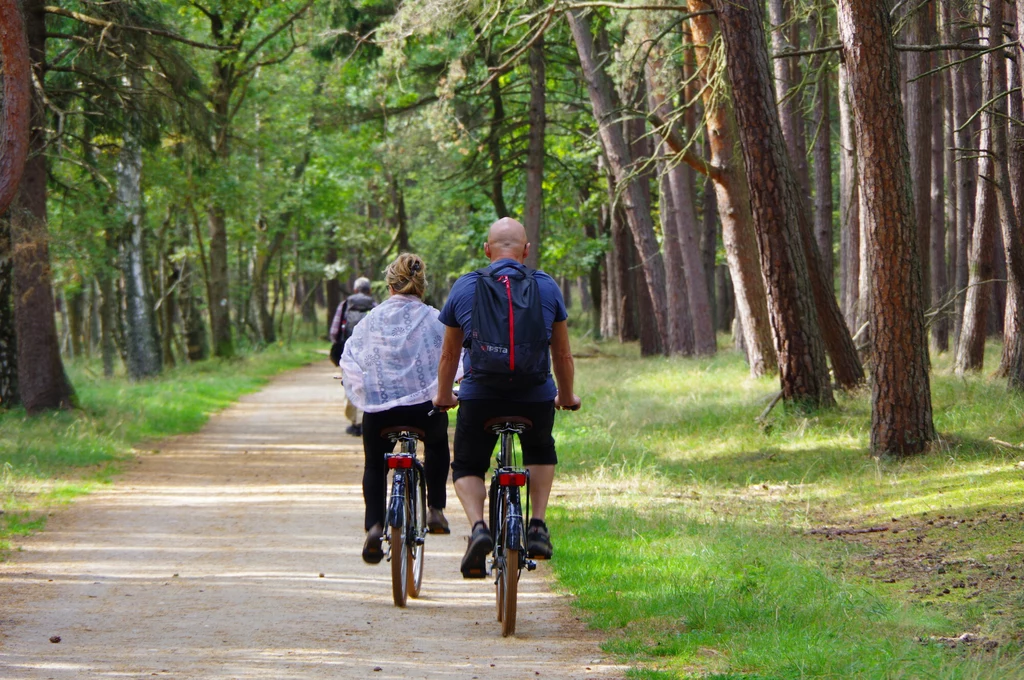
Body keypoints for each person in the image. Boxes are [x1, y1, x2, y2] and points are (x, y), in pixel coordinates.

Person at [433, 217, 580, 579]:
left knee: (467, 463)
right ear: (526, 251)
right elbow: (562, 355)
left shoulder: (465, 286)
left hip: (481, 396)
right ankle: (538, 527)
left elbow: (449, 356)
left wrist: (442, 397)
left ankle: (480, 528)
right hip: (534, 396)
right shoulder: (546, 286)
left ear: (487, 250)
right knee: (541, 449)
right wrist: (565, 395)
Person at [339, 254, 455, 564]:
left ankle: (375, 526)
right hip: (423, 411)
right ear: (422, 287)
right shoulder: (435, 319)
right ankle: (435, 510)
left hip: (381, 412)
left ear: (390, 286)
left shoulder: (371, 320)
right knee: (436, 443)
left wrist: (358, 386)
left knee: (375, 464)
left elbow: (355, 360)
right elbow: (451, 357)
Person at [330, 277, 376, 436]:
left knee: (350, 383)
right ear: (369, 290)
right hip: (370, 353)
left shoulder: (345, 305)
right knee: (369, 385)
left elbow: (335, 331)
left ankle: (354, 422)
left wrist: (338, 346)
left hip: (349, 352)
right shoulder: (375, 306)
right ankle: (366, 420)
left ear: (355, 290)